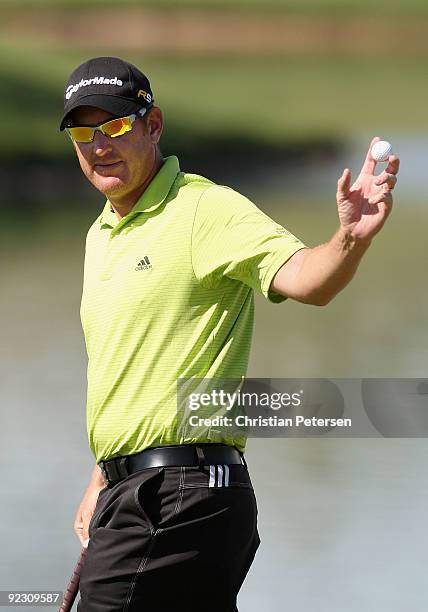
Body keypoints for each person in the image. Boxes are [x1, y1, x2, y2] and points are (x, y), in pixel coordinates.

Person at [59, 56, 399, 612]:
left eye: (116, 125)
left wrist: (350, 239)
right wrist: (105, 474)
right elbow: (132, 368)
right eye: (82, 132)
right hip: (143, 494)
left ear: (154, 125)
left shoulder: (204, 209)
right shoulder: (101, 232)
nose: (99, 145)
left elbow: (308, 281)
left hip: (178, 494)